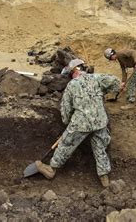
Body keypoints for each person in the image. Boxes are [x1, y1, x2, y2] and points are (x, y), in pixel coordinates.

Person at [35, 58, 120, 187]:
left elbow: (66, 109)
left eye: (70, 74)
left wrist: (68, 124)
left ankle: (51, 169)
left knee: (66, 144)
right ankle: (104, 177)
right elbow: (115, 81)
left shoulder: (72, 85)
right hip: (100, 121)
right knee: (100, 148)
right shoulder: (97, 78)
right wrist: (108, 91)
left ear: (75, 71)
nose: (71, 76)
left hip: (81, 123)